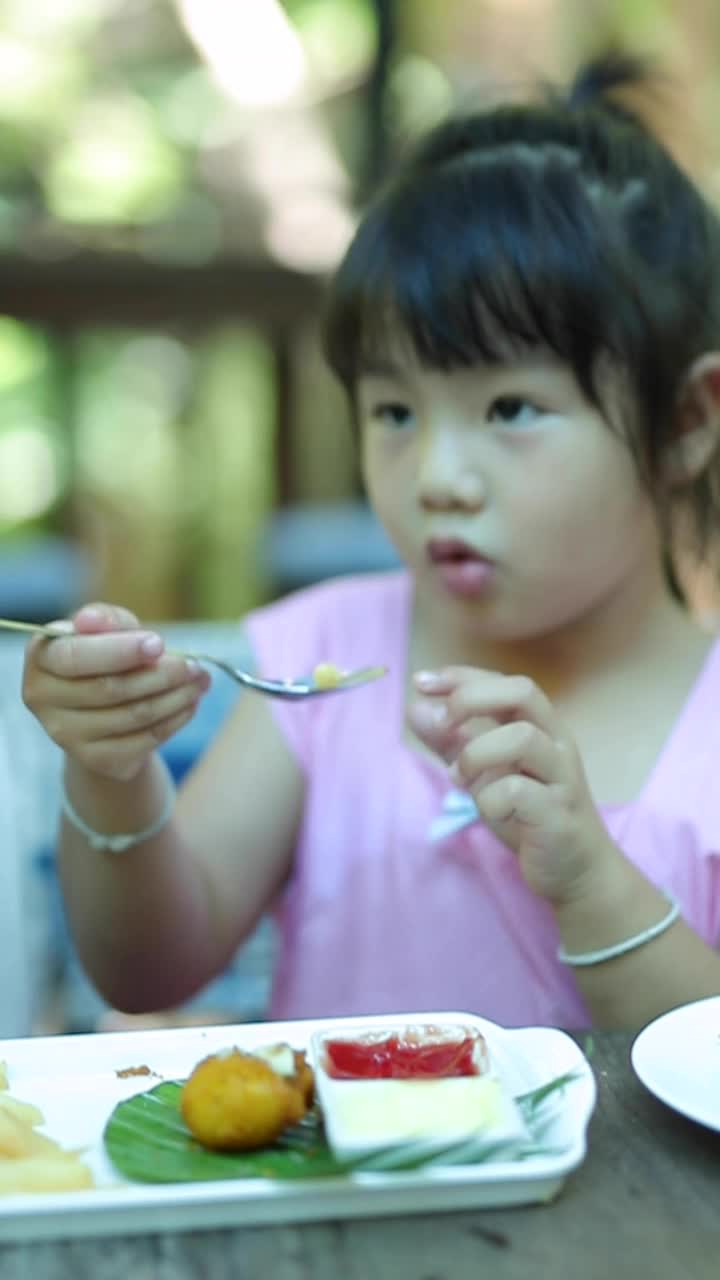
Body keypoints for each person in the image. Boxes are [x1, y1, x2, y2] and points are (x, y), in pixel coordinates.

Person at [22, 53, 720, 1031]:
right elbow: (149, 968)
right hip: (350, 1190)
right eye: (393, 410)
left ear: (687, 420)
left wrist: (588, 875)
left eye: (510, 406)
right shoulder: (324, 661)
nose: (436, 473)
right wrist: (111, 769)